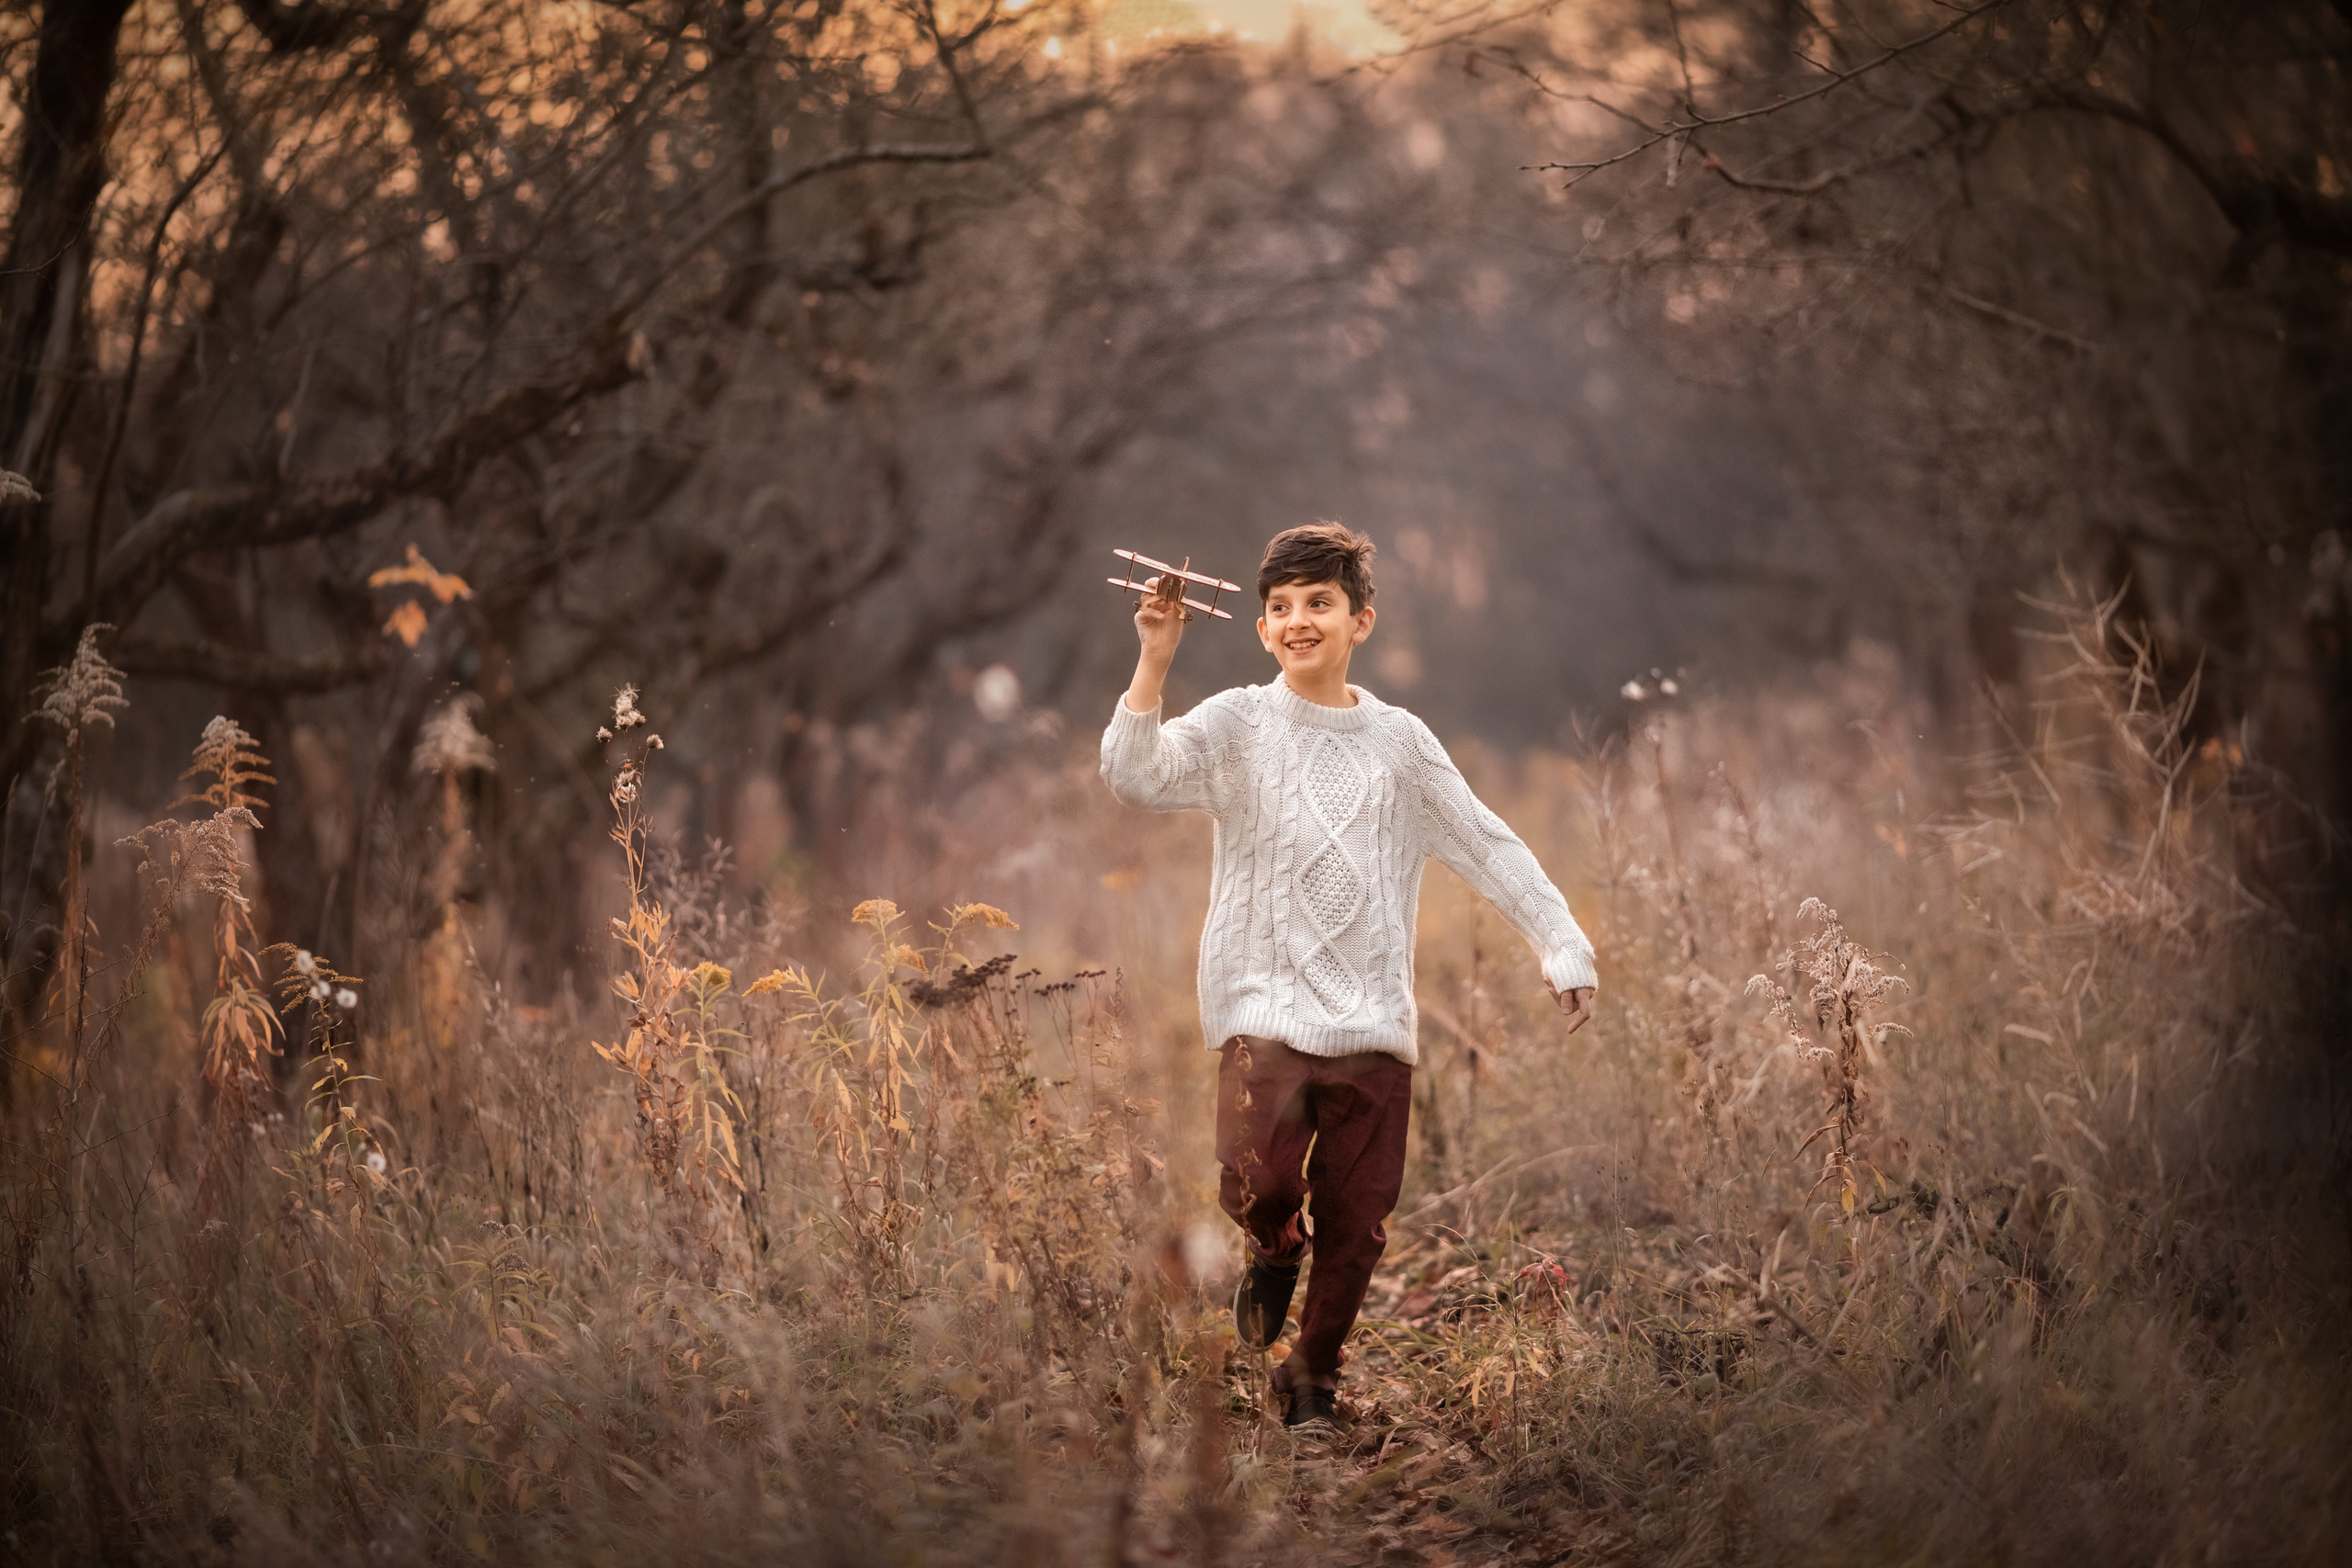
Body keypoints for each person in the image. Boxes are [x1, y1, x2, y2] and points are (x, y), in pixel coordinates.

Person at [1099, 522, 1598, 1437]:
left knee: (1359, 1218)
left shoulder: (1400, 745)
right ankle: (1273, 1248)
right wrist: (1155, 657)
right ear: (1259, 627)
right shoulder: (1239, 725)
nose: (1298, 621)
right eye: (1280, 607)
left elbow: (1486, 842)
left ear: (1358, 620)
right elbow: (1136, 774)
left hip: (1372, 1022)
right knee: (1253, 1183)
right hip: (1260, 1005)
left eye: (1318, 604)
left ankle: (1311, 1378)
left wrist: (1559, 942)